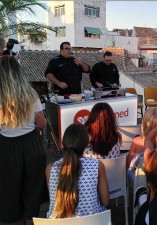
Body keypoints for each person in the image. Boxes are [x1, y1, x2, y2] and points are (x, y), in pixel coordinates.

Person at [0, 56, 47, 225]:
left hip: (7, 147)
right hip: (32, 145)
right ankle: (31, 219)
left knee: (10, 187)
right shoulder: (31, 93)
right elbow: (42, 123)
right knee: (33, 186)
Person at [46, 123, 109, 218]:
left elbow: (53, 198)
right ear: (87, 144)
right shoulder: (97, 165)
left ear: (63, 143)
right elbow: (105, 201)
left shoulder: (50, 169)